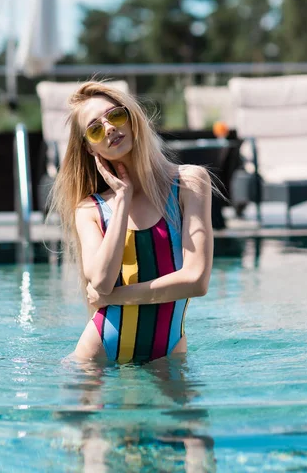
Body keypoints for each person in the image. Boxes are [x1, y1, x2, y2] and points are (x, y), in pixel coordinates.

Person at [51, 80, 213, 364]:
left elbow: (196, 281)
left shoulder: (189, 183)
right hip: (97, 361)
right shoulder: (91, 209)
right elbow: (100, 282)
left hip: (168, 357)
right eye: (95, 129)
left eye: (115, 115)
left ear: (132, 117)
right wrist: (122, 199)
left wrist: (116, 298)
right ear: (90, 148)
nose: (110, 128)